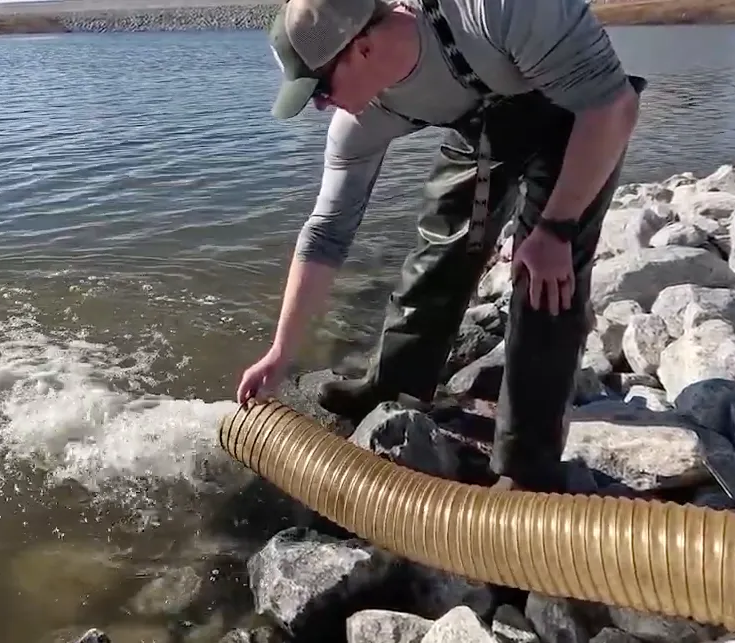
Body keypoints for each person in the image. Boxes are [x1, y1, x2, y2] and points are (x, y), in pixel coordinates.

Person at [235, 0, 646, 492]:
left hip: (577, 111)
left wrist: (556, 228)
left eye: (320, 88)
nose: (321, 106)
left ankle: (527, 466)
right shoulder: (365, 118)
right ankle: (393, 391)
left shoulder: (495, 10)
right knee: (442, 245)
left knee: (544, 279)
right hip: (483, 122)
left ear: (362, 48)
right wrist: (282, 351)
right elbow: (326, 233)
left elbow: (613, 103)